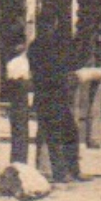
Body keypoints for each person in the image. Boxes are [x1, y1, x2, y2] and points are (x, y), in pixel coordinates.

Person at [28, 15, 82, 183]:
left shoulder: (55, 45)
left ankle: (73, 170)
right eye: (46, 25)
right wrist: (63, 77)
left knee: (71, 132)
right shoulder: (36, 47)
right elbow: (43, 72)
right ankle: (60, 173)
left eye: (50, 25)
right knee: (54, 136)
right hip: (46, 96)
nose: (49, 29)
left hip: (59, 96)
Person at [4, 30, 33, 167]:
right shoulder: (15, 63)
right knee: (19, 133)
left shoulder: (25, 61)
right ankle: (18, 163)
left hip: (23, 101)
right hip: (18, 101)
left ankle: (20, 162)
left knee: (21, 134)